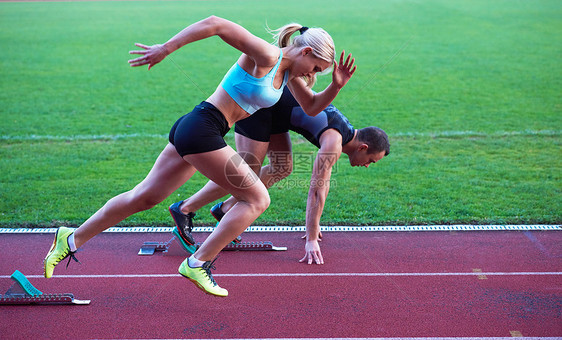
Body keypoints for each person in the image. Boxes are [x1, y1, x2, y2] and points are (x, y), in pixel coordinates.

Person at [42, 15, 356, 297]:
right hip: (202, 128)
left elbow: (313, 106)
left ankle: (70, 238)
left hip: (198, 126)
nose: (315, 74)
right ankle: (198, 263)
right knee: (257, 199)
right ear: (306, 52)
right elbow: (215, 24)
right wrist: (166, 48)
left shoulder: (290, 76)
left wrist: (336, 86)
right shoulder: (267, 55)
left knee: (144, 197)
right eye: (316, 68)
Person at [169, 87, 389, 265]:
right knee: (246, 173)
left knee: (281, 168)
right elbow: (317, 191)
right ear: (363, 147)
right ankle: (185, 208)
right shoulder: (333, 142)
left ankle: (224, 209)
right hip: (261, 108)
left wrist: (314, 224)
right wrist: (311, 237)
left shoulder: (346, 132)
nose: (368, 165)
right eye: (371, 160)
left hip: (278, 115)